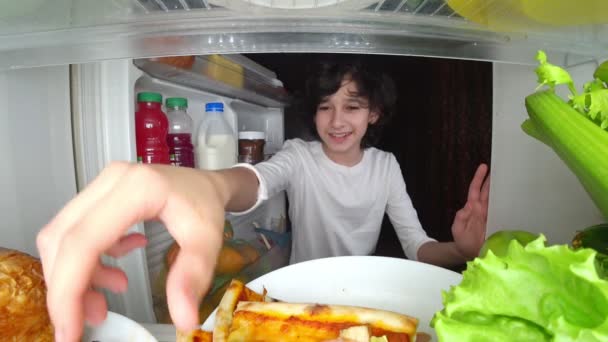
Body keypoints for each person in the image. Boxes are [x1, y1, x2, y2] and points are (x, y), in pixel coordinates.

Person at [37, 57, 490, 341]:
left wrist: (460, 252)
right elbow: (257, 180)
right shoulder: (300, 155)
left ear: (373, 114)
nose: (336, 120)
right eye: (325, 105)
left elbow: (415, 244)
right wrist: (211, 186)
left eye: (352, 106)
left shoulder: (386, 166)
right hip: (297, 294)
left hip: (364, 291)